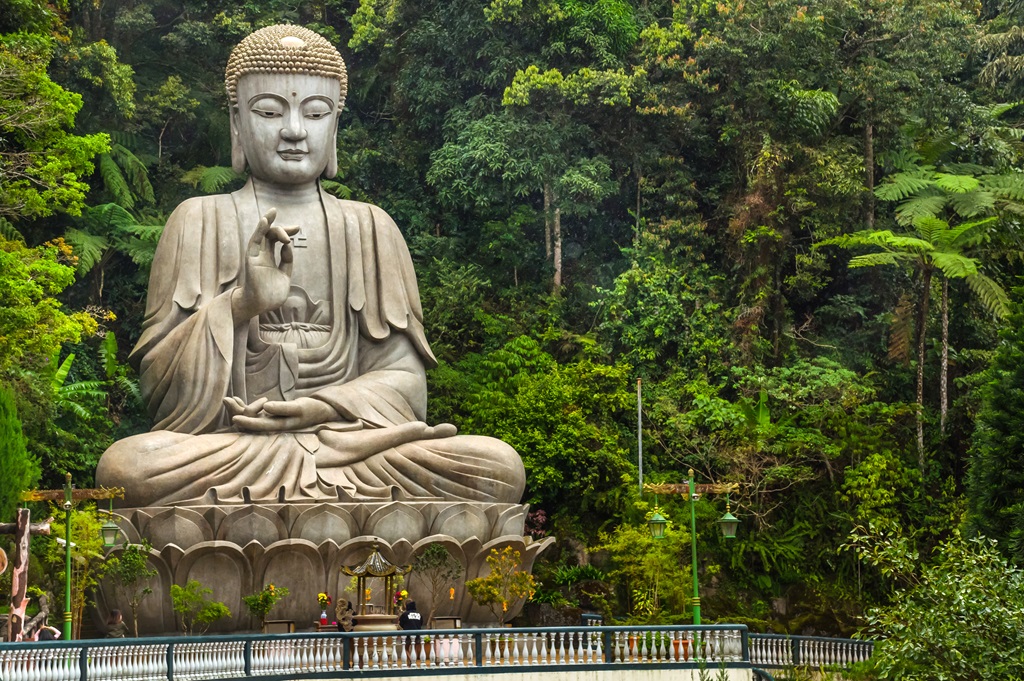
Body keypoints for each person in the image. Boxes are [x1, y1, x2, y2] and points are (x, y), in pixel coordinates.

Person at [95, 24, 526, 507]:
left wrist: (319, 409)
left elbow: (407, 387)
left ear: (333, 126)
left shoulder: (372, 228)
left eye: (316, 113)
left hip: (348, 446)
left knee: (498, 466)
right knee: (127, 469)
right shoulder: (198, 221)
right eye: (269, 111)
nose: (295, 130)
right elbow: (159, 389)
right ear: (237, 123)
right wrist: (241, 305)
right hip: (236, 446)